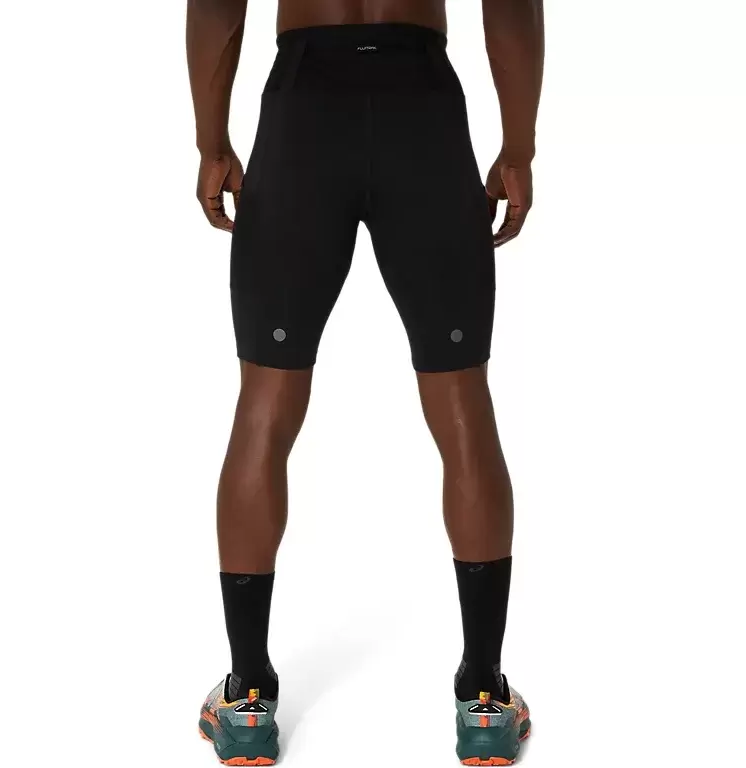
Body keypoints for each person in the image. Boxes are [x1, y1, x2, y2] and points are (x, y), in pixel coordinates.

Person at [186, 1, 544, 764]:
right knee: (462, 402)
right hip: (423, 109)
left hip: (304, 111)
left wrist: (211, 142)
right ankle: (484, 697)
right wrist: (518, 148)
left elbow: (216, 6)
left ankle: (246, 697)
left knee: (265, 405)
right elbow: (511, 5)